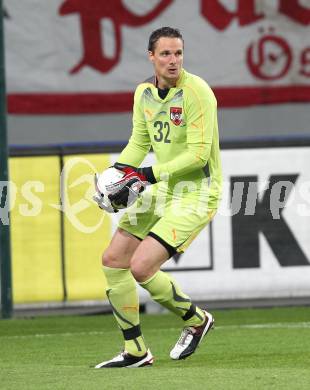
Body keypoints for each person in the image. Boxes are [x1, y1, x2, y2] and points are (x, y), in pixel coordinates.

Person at [94, 26, 222, 368]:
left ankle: (197, 320)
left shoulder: (198, 93)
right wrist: (119, 173)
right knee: (114, 260)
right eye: (165, 53)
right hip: (165, 188)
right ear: (151, 57)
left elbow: (197, 155)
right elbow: (140, 142)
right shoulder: (144, 94)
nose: (173, 60)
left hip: (197, 192)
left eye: (178, 53)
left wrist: (144, 176)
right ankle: (136, 350)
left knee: (141, 266)